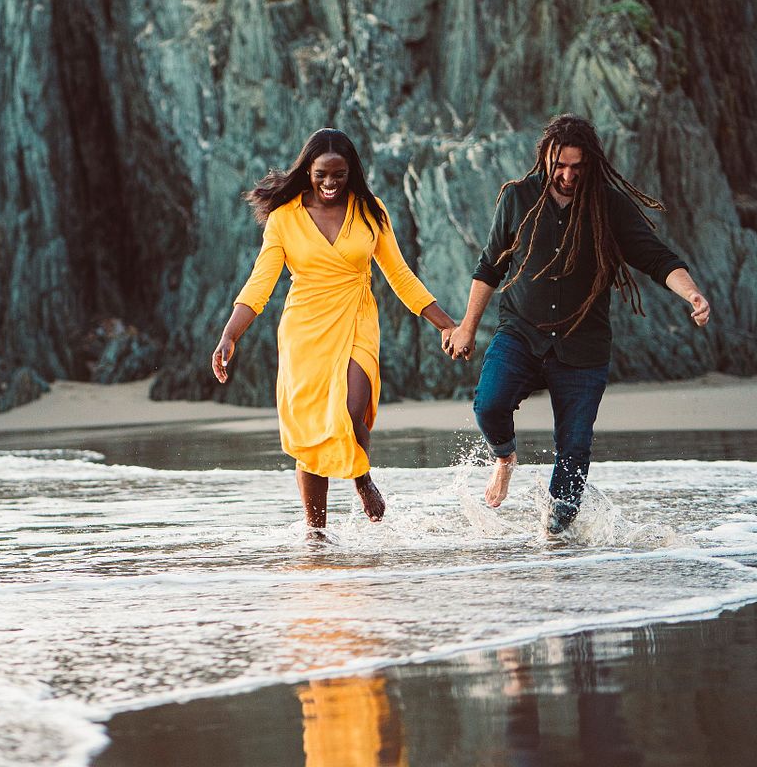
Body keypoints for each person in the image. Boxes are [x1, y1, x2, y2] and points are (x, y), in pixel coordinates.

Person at [445, 114, 710, 534]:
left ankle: (556, 543)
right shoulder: (517, 198)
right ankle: (504, 458)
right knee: (490, 405)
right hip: (521, 332)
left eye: (577, 167)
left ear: (591, 164)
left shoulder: (609, 205)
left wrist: (691, 293)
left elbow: (657, 258)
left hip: (582, 345)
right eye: (559, 165)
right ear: (546, 158)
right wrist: (466, 327)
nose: (567, 176)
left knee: (574, 451)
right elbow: (489, 267)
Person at [213, 128, 456, 538]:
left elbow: (400, 276)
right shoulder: (284, 218)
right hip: (304, 329)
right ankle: (316, 534)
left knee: (350, 408)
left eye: (339, 175)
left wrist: (447, 325)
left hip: (357, 316)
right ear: (307, 170)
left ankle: (361, 478)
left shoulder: (371, 212)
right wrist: (230, 335)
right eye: (321, 174)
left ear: (351, 172)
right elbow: (260, 282)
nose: (330, 183)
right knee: (311, 435)